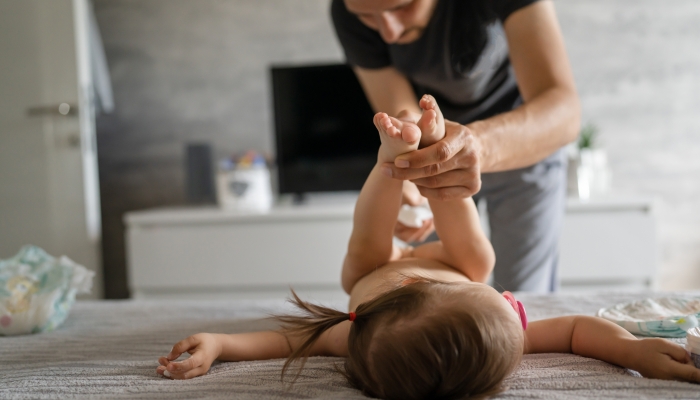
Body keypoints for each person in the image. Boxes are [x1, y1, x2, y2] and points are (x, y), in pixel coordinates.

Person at [156, 103, 700, 399]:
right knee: (478, 262)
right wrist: (629, 351)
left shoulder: (364, 331)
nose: (510, 301)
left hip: (374, 272)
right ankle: (442, 172)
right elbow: (580, 330)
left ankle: (389, 164)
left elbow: (285, 339)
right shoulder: (505, 332)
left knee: (368, 245)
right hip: (454, 266)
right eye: (503, 304)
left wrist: (222, 343)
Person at [330, 0, 581, 292]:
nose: (389, 33)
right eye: (366, 17)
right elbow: (401, 113)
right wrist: (408, 166)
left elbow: (564, 113)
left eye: (403, 7)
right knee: (437, 294)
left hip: (522, 143)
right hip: (436, 159)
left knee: (524, 298)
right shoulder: (347, 12)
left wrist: (475, 147)